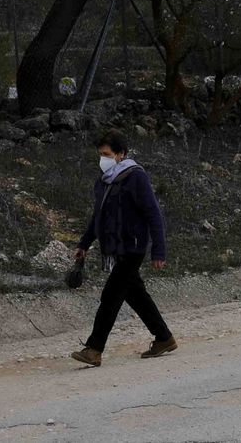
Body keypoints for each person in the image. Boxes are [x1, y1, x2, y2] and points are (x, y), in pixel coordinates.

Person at [70, 130, 177, 366]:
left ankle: (94, 349)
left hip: (133, 247)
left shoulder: (136, 177)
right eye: (100, 154)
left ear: (121, 154)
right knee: (135, 294)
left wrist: (159, 251)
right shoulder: (104, 181)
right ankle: (164, 338)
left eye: (107, 154)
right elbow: (98, 216)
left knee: (110, 295)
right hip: (115, 247)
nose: (103, 159)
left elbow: (153, 214)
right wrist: (84, 243)